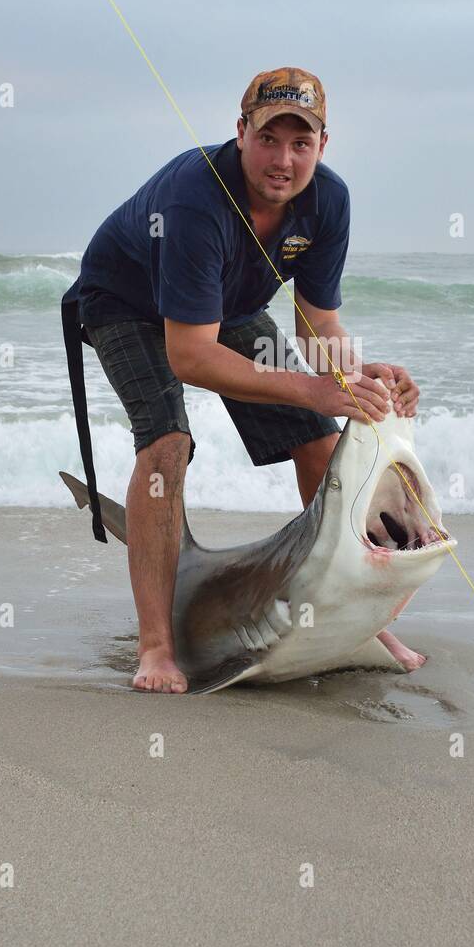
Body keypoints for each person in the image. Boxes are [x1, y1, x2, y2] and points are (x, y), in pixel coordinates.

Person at [62, 67, 425, 692]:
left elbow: (317, 324)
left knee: (317, 436)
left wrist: (358, 372)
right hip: (124, 303)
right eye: (269, 140)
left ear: (322, 145)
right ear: (241, 132)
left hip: (223, 306)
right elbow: (192, 357)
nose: (283, 160)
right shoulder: (193, 199)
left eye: (301, 143)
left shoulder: (328, 201)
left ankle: (346, 611)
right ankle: (156, 646)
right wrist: (317, 387)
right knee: (166, 444)